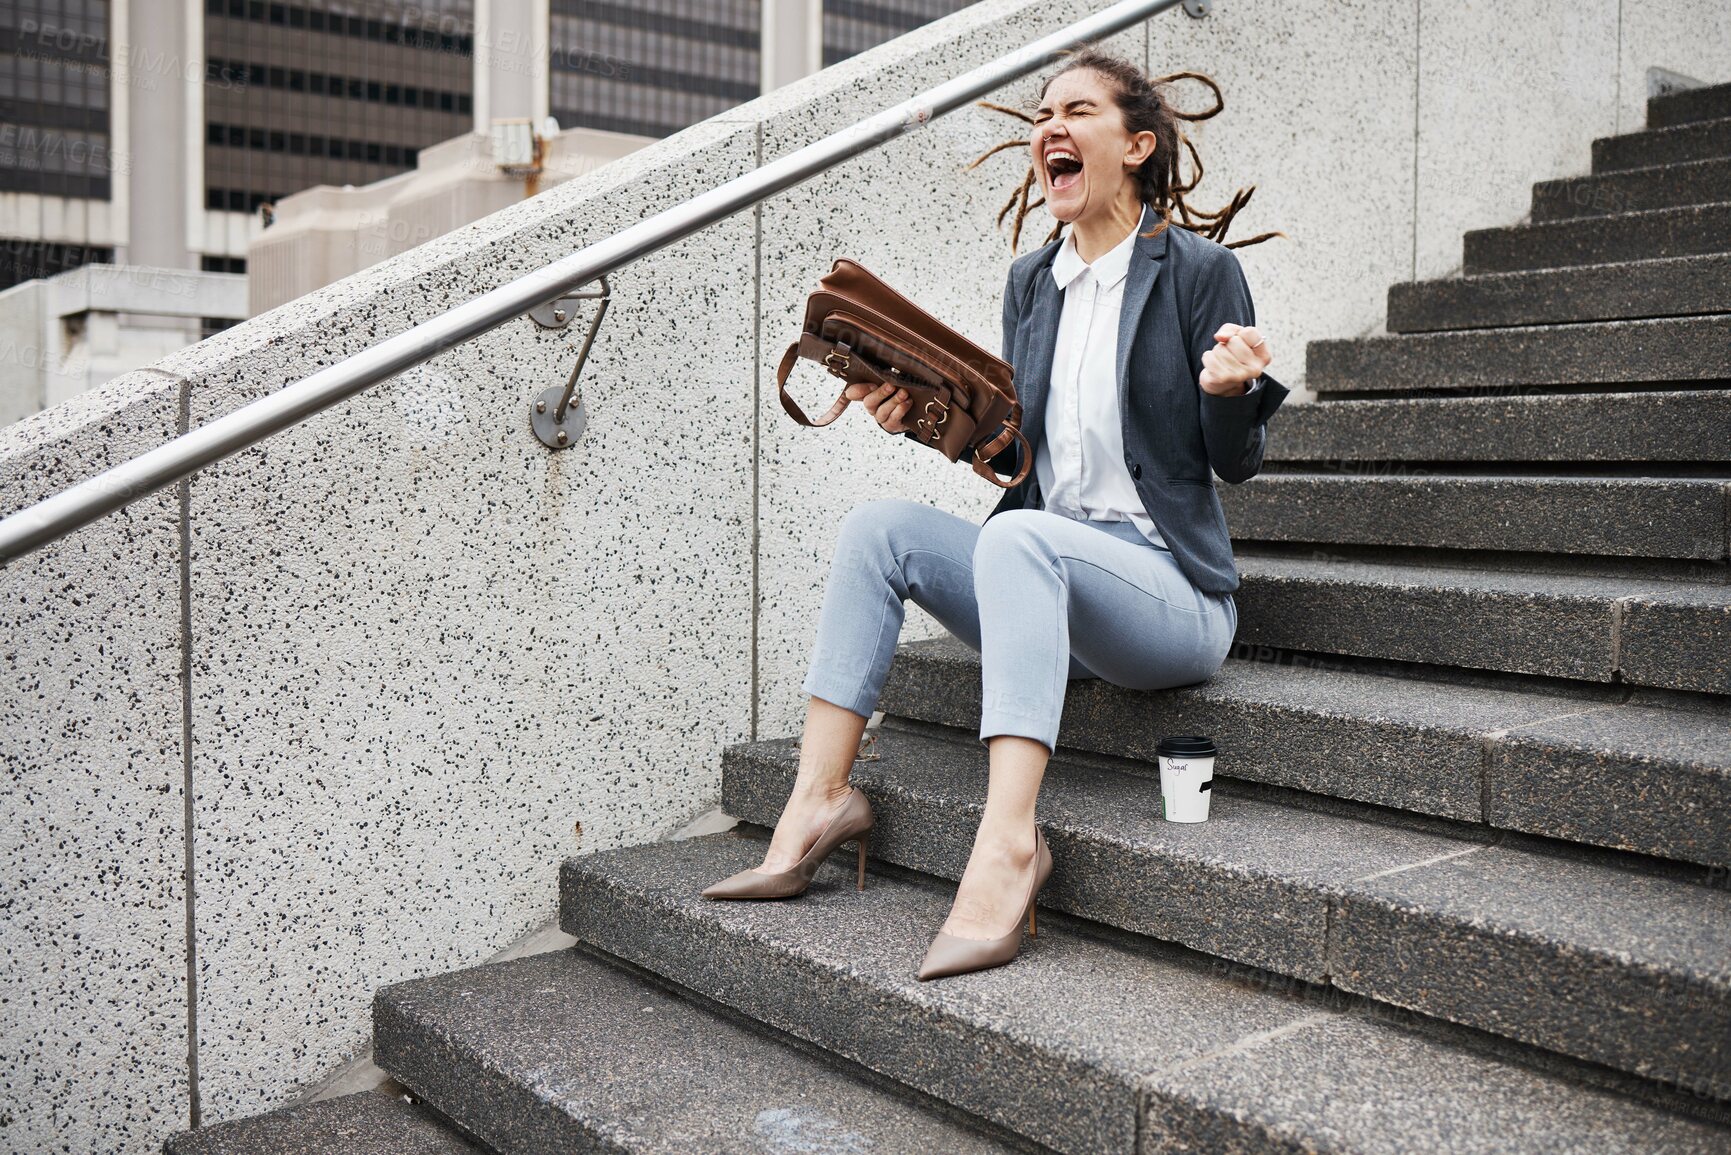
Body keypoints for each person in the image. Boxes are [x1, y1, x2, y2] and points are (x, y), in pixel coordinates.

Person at [701, 45, 1290, 982]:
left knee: (1019, 540)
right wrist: (921, 422)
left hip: (1168, 598)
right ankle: (817, 801)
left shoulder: (1195, 272)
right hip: (1048, 570)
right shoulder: (1031, 283)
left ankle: (1009, 841)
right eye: (1040, 115)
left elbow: (1235, 463)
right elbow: (1021, 461)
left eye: (1078, 112)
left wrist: (1229, 391)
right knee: (877, 530)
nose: (1049, 127)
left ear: (1136, 145)